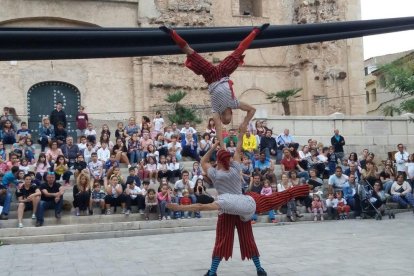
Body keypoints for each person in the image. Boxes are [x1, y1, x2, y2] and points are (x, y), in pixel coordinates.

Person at [160, 25, 268, 148]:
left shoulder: (216, 110)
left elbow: (218, 131)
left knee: (189, 52)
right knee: (239, 50)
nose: (225, 119)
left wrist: (223, 148)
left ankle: (171, 33)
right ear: (231, 114)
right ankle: (256, 31)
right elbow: (252, 110)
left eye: (224, 120)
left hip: (211, 76)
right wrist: (245, 123)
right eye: (227, 120)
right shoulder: (234, 103)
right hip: (223, 73)